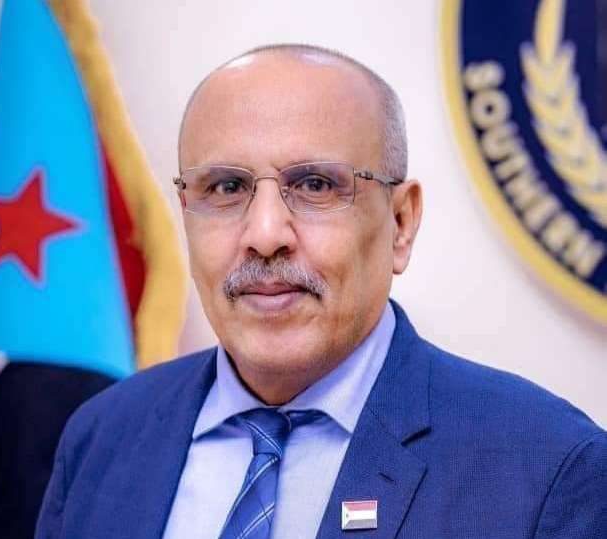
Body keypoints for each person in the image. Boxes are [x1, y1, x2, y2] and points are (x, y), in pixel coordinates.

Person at [35, 44, 607, 539]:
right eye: (226, 187)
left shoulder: (549, 469)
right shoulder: (99, 439)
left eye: (314, 185)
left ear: (401, 223)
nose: (265, 235)